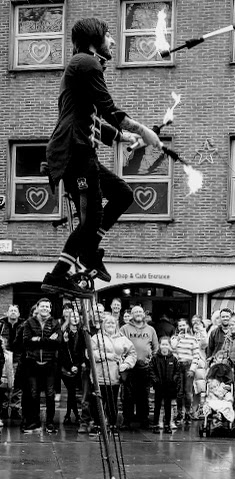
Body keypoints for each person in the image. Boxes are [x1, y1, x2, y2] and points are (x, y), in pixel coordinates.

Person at [41, 17, 162, 297]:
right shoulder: (86, 63)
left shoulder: (83, 66)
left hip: (83, 154)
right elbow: (109, 109)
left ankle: (89, 251)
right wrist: (143, 130)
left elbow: (90, 118)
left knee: (122, 195)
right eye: (108, 36)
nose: (113, 41)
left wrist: (124, 137)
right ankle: (58, 275)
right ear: (95, 39)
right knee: (90, 221)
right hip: (74, 154)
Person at [22, 298, 62, 433]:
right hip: (32, 364)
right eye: (42, 306)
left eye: (47, 306)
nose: (44, 308)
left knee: (50, 395)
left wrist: (37, 339)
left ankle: (50, 422)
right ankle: (35, 422)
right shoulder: (29, 322)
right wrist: (47, 340)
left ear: (50, 309)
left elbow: (57, 343)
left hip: (49, 364)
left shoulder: (55, 323)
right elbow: (26, 341)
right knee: (34, 394)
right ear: (37, 307)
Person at [91, 315, 136, 434]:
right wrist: (109, 356)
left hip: (114, 376)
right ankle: (97, 425)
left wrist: (126, 364)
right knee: (98, 403)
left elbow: (132, 353)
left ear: (116, 325)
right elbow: (90, 353)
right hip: (99, 376)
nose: (110, 325)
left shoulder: (123, 339)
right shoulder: (96, 338)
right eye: (108, 323)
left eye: (112, 323)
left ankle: (112, 424)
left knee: (112, 402)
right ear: (103, 325)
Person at [120, 305, 158, 429]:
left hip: (145, 367)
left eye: (140, 312)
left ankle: (143, 419)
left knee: (143, 395)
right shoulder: (124, 329)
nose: (138, 314)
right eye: (135, 312)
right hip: (129, 367)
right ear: (131, 315)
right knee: (128, 395)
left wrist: (151, 362)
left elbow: (156, 347)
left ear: (144, 314)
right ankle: (127, 420)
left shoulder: (151, 329)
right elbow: (119, 346)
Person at [170, 319, 200, 425]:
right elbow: (172, 349)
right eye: (180, 326)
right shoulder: (174, 338)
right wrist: (178, 338)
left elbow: (196, 355)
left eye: (184, 325)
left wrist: (192, 369)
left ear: (187, 326)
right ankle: (179, 413)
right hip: (178, 366)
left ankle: (187, 412)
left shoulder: (193, 339)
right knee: (179, 392)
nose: (182, 327)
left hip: (188, 365)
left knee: (188, 392)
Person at [60, 308, 86, 426]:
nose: (74, 319)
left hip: (78, 366)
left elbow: (83, 350)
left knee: (72, 391)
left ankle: (69, 415)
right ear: (68, 318)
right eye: (72, 316)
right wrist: (70, 366)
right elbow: (63, 352)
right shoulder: (64, 332)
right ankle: (73, 414)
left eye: (76, 316)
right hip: (66, 366)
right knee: (71, 391)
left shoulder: (82, 332)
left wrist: (78, 365)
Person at [149, 337, 179, 434]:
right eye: (163, 344)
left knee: (167, 406)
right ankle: (156, 424)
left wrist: (173, 380)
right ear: (159, 345)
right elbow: (151, 370)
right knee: (157, 405)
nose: (164, 346)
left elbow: (177, 371)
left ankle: (167, 424)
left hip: (169, 386)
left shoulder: (173, 359)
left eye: (166, 344)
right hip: (159, 385)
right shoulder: (155, 358)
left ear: (169, 346)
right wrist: (155, 380)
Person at [0, 304, 23, 418]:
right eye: (11, 310)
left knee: (17, 384)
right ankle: (4, 407)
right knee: (4, 384)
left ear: (18, 314)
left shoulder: (23, 325)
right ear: (7, 313)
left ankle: (15, 408)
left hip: (18, 358)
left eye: (15, 311)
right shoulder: (1, 325)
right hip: (4, 358)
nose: (13, 312)